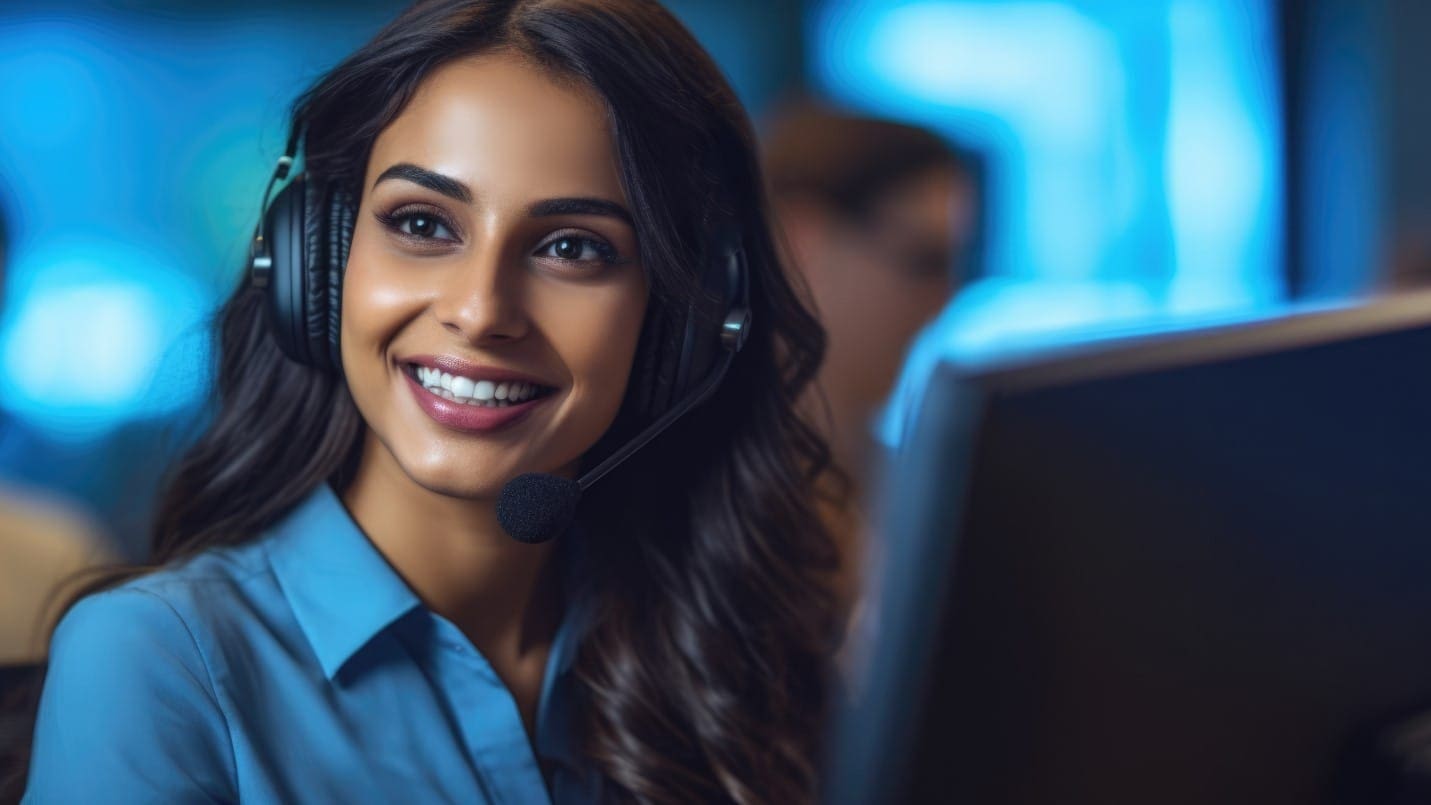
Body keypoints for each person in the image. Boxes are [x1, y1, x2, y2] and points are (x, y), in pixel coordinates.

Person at [20, 1, 840, 802]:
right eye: (422, 224)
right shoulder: (161, 659)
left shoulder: (728, 659)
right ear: (318, 264)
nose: (480, 310)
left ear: (684, 322)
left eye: (572, 247)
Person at [763, 103, 978, 612]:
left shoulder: (900, 478)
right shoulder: (710, 502)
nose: (944, 299)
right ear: (803, 240)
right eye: (925, 260)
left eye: (957, 268)